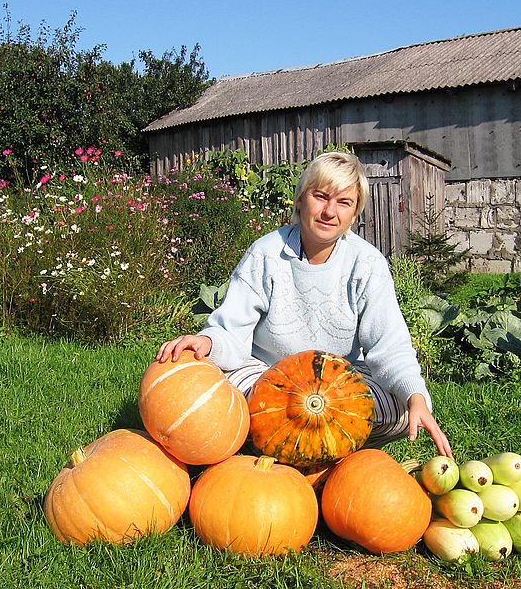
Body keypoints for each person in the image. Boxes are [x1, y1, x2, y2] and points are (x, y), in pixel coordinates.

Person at [155, 151, 452, 458]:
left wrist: (415, 396)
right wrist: (206, 341)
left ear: (355, 213)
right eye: (320, 196)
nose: (329, 211)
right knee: (225, 394)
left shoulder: (367, 264)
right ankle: (301, 453)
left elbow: (389, 346)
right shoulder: (266, 253)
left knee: (404, 409)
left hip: (336, 389)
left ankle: (322, 450)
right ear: (300, 200)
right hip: (268, 379)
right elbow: (232, 329)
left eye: (343, 202)